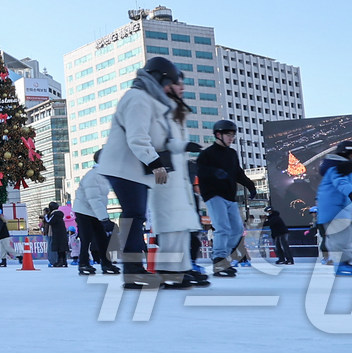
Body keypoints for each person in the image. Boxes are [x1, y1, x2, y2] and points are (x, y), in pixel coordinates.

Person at [99, 57, 202, 290]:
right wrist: (156, 165)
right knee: (133, 216)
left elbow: (161, 140)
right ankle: (132, 271)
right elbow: (137, 138)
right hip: (124, 167)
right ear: (159, 78)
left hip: (135, 170)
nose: (171, 89)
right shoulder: (138, 99)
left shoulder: (152, 101)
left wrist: (184, 146)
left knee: (135, 216)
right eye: (171, 83)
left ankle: (134, 270)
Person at [199, 120, 258, 277]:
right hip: (214, 195)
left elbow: (237, 172)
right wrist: (214, 172)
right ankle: (219, 260)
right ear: (218, 135)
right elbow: (201, 170)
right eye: (228, 134)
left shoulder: (231, 154)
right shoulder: (207, 154)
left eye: (233, 135)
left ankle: (223, 257)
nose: (231, 138)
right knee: (223, 227)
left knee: (237, 229)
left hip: (230, 197)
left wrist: (250, 185)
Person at [318, 141, 352, 276]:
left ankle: (345, 262)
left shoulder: (347, 171)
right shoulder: (336, 169)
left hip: (341, 211)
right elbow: (340, 183)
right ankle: (341, 265)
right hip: (334, 211)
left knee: (346, 237)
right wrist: (351, 193)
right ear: (349, 154)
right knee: (341, 239)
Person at [73, 158, 118, 275]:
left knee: (102, 238)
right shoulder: (92, 176)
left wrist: (103, 215)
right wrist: (104, 217)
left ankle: (106, 263)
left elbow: (101, 198)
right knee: (86, 238)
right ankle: (83, 264)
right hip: (83, 210)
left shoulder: (103, 175)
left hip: (95, 211)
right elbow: (93, 198)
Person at [43, 203, 69, 268]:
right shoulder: (59, 214)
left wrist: (46, 216)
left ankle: (60, 262)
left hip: (57, 233)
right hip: (62, 232)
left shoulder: (55, 214)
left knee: (58, 248)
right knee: (62, 248)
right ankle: (64, 261)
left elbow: (49, 221)